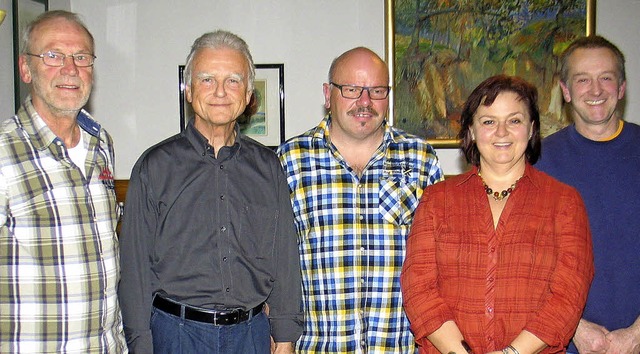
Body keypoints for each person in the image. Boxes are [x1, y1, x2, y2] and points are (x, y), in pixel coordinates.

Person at [117, 30, 303, 354]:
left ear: (248, 95)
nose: (220, 91)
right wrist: (140, 345)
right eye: (207, 80)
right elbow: (134, 274)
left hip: (251, 337)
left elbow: (284, 259)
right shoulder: (154, 167)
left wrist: (285, 336)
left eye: (233, 81)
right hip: (175, 336)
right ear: (188, 90)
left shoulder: (268, 168)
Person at [401, 75, 594, 354]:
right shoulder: (437, 200)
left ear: (531, 130)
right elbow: (419, 288)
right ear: (471, 131)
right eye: (488, 121)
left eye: (514, 120)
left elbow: (568, 296)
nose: (501, 132)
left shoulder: (565, 202)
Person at [277, 46, 443, 353]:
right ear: (328, 95)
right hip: (318, 347)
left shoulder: (420, 158)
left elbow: (444, 260)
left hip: (401, 348)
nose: (364, 102)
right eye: (352, 89)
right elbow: (273, 264)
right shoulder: (290, 161)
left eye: (376, 91)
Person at [0, 10, 127, 353]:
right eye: (53, 55)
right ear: (25, 68)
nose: (70, 69)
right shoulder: (4, 152)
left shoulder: (102, 145)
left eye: (81, 57)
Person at [535, 35, 640, 354]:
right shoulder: (538, 162)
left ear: (621, 88)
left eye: (606, 78)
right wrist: (573, 328)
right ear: (565, 91)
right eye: (583, 80)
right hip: (566, 343)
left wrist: (635, 335)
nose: (595, 91)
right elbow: (525, 259)